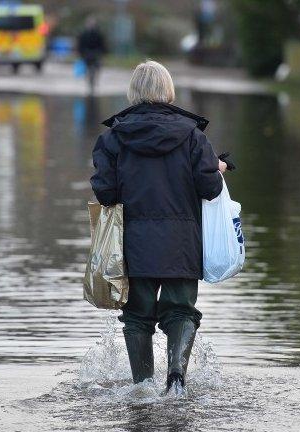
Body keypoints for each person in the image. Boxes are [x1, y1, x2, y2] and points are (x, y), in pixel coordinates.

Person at [90, 61, 228, 395]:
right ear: (168, 91)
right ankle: (177, 379)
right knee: (180, 310)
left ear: (133, 92)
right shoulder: (193, 137)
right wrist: (218, 168)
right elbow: (209, 189)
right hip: (181, 243)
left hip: (133, 244)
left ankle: (142, 388)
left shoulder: (112, 139)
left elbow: (105, 192)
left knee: (137, 316)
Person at [76, 17, 107, 93]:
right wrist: (81, 53)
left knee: (97, 67)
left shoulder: (98, 33)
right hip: (86, 54)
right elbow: (80, 45)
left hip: (96, 53)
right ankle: (89, 80)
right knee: (87, 68)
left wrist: (102, 52)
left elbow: (102, 44)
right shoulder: (83, 34)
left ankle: (95, 79)